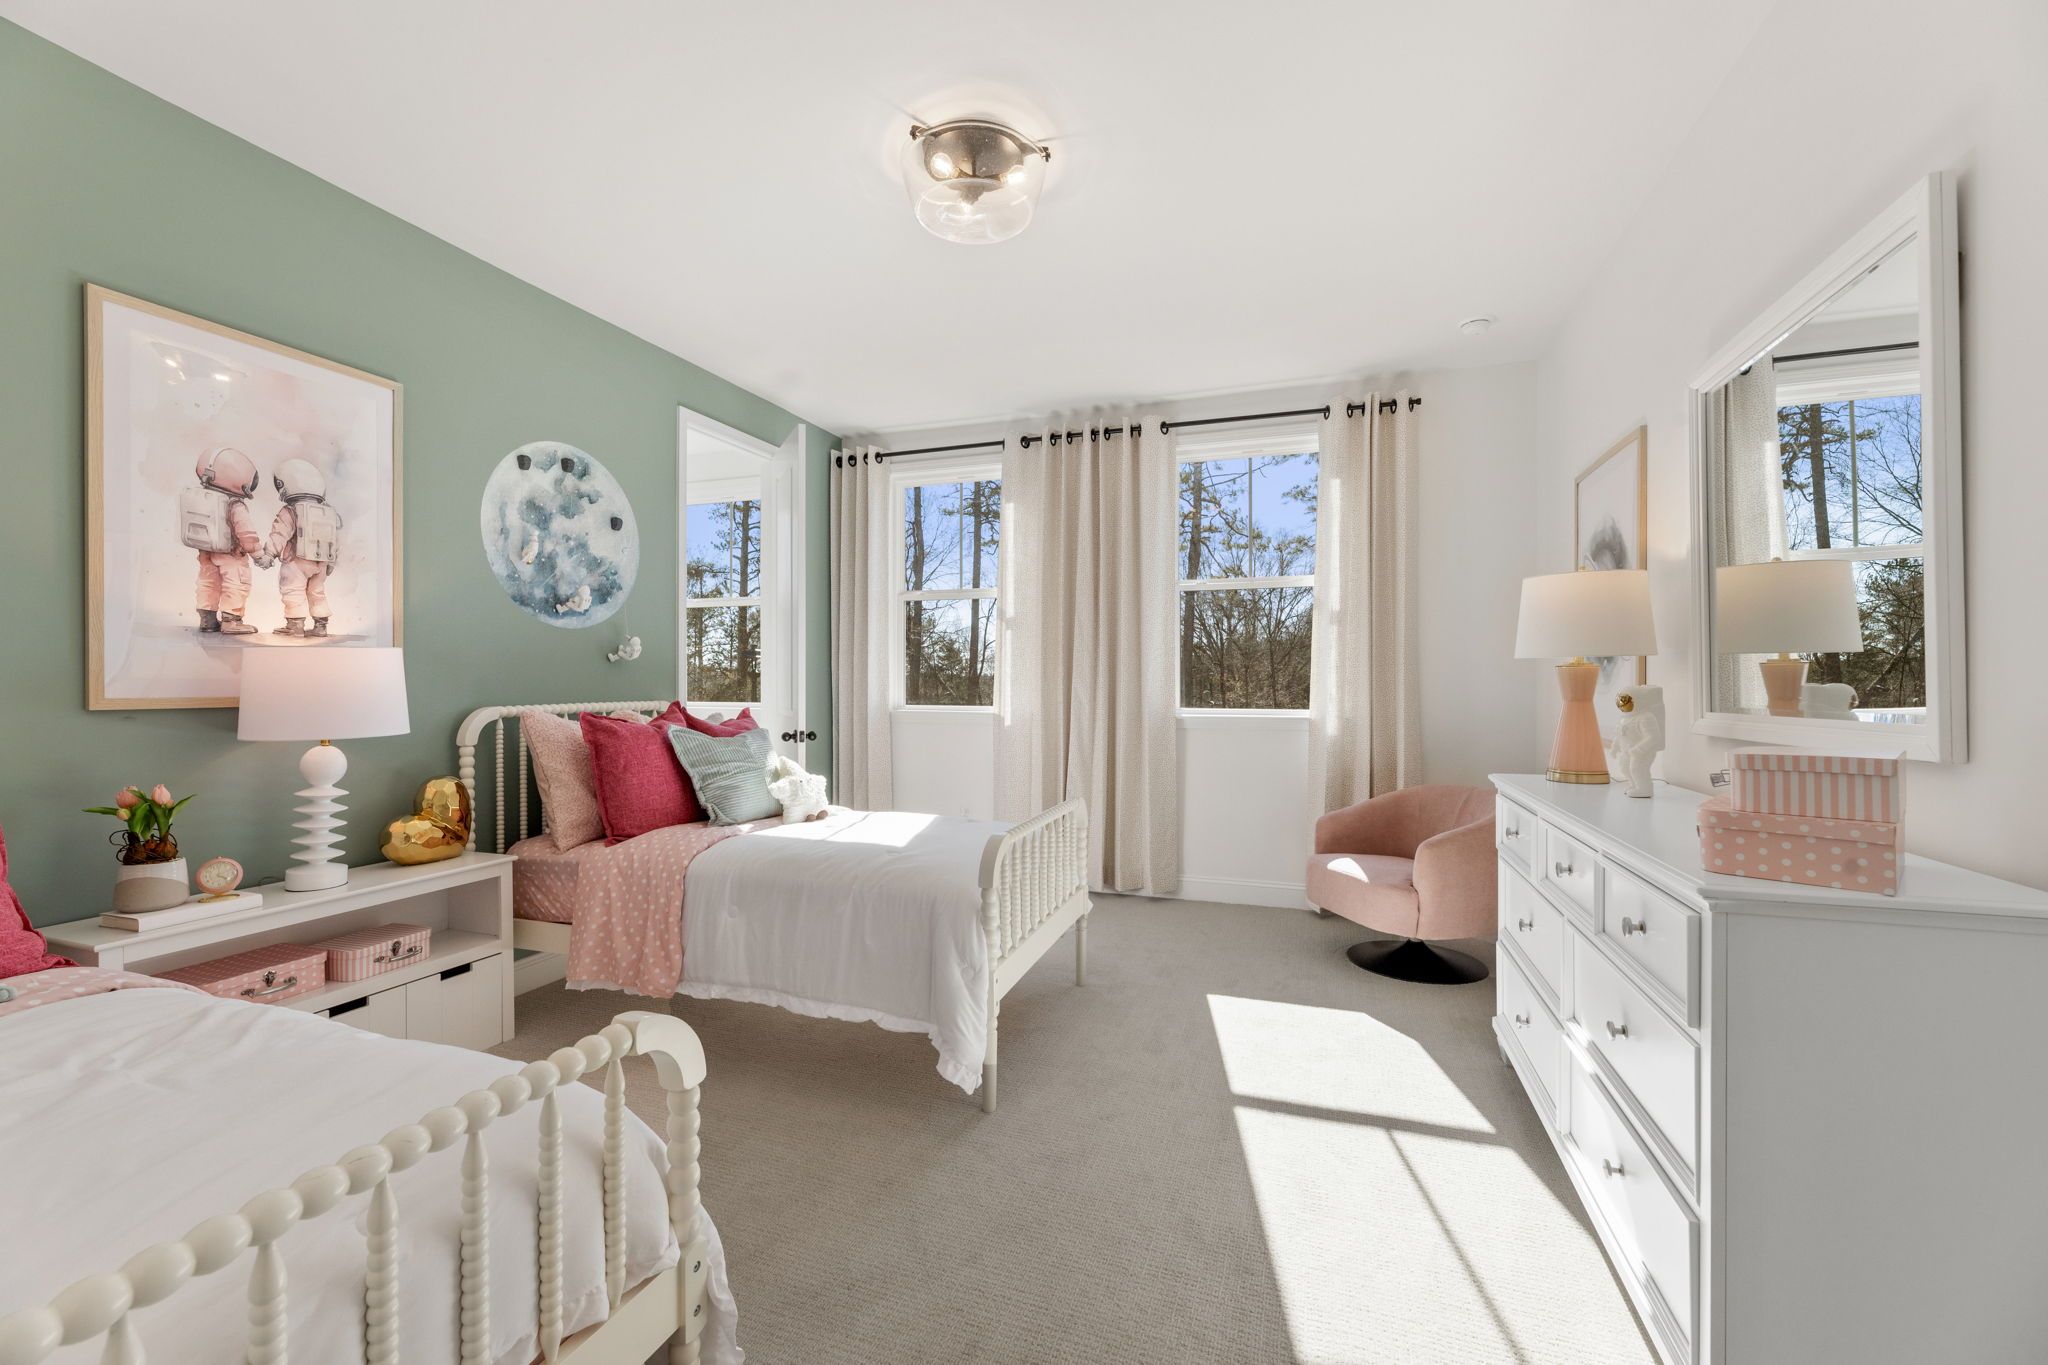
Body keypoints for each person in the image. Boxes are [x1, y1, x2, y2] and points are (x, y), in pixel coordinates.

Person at [180, 447, 263, 636]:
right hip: (232, 554)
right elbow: (246, 532)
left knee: (208, 582)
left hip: (206, 553)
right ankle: (231, 621)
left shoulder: (200, 497)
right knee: (236, 583)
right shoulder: (235, 504)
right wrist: (258, 555)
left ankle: (207, 619)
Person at [267, 457, 343, 637]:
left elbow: (279, 533)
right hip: (322, 562)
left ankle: (295, 626)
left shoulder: (290, 510)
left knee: (292, 590)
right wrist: (331, 563)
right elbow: (335, 540)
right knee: (317, 592)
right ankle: (321, 626)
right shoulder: (329, 513)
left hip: (296, 561)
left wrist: (269, 553)